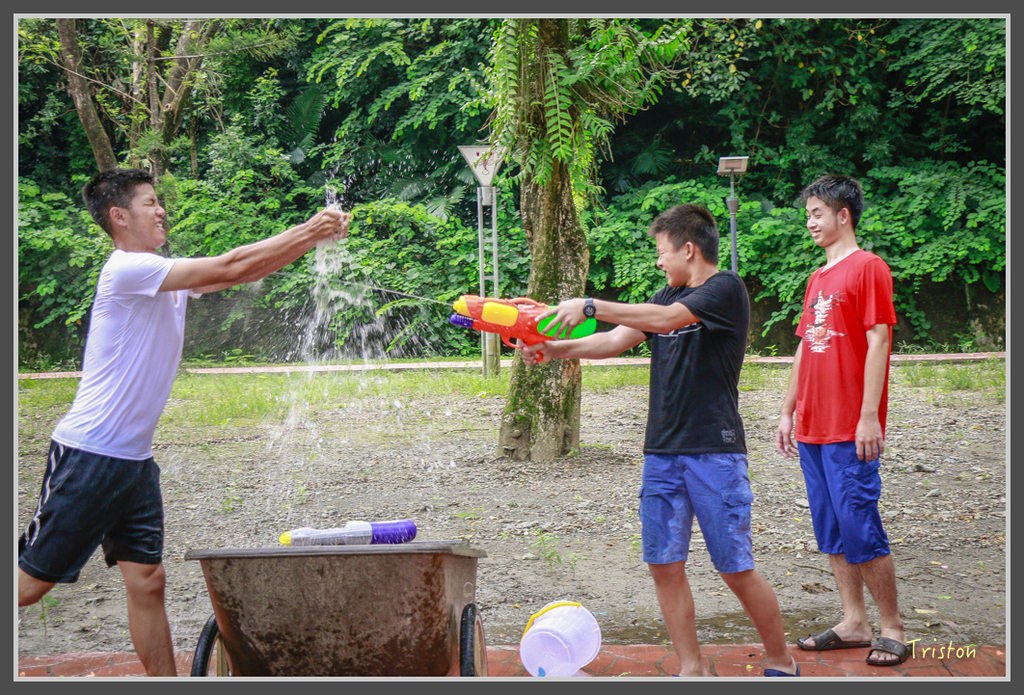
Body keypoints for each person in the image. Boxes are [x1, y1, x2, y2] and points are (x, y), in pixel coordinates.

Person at [18, 168, 351, 676]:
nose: (161, 210)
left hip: (133, 463)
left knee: (147, 580)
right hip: (90, 455)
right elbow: (234, 264)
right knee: (28, 588)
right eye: (150, 202)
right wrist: (310, 229)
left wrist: (310, 241)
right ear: (118, 216)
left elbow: (233, 273)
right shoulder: (126, 270)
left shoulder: (159, 271)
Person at [521, 204, 799, 678]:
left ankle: (781, 661)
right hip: (663, 454)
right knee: (664, 564)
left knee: (734, 567)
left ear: (689, 249)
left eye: (661, 252)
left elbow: (668, 320)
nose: (658, 262)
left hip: (715, 450)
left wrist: (590, 304)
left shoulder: (724, 289)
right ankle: (691, 668)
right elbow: (614, 341)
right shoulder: (666, 293)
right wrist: (555, 349)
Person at [775, 174, 908, 667]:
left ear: (842, 215)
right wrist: (788, 409)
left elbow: (878, 341)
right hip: (812, 424)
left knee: (860, 526)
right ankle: (854, 621)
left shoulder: (869, 268)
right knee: (830, 527)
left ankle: (892, 626)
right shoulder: (817, 277)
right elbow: (804, 345)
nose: (809, 222)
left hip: (850, 427)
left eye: (816, 213)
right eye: (808, 213)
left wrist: (869, 417)